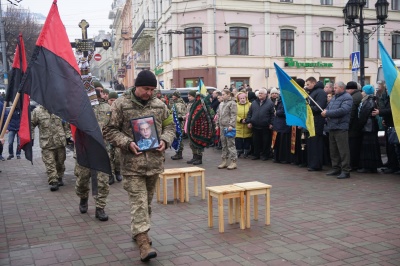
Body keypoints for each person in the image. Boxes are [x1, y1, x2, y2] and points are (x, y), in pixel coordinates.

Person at [103, 70, 175, 262]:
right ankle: (144, 242)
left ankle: (139, 231)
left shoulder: (160, 106)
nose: (149, 93)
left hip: (154, 163)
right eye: (146, 89)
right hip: (131, 165)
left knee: (147, 202)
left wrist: (166, 140)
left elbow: (170, 126)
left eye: (152, 89)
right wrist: (127, 142)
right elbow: (109, 129)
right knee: (139, 202)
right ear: (136, 86)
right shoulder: (121, 104)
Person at [75, 81, 111, 221]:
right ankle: (83, 198)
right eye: (94, 90)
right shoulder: (80, 107)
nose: (97, 93)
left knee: (102, 181)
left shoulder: (108, 108)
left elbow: (113, 127)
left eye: (99, 90)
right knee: (82, 179)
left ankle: (100, 207)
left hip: (101, 150)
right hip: (85, 150)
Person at [31, 105, 72, 191]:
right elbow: (31, 124)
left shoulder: (60, 109)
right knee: (49, 162)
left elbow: (66, 124)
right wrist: (31, 137)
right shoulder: (37, 111)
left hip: (60, 142)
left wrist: (68, 136)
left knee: (60, 162)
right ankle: (54, 181)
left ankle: (60, 177)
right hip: (47, 143)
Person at [321, 81, 353, 179]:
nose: (334, 89)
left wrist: (328, 113)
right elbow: (328, 108)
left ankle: (346, 170)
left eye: (335, 88)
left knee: (343, 150)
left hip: (341, 127)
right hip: (332, 127)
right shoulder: (335, 97)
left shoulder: (347, 98)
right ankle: (336, 168)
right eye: (334, 88)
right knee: (333, 150)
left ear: (342, 88)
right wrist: (325, 113)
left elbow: (343, 110)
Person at [373, 80, 398, 174]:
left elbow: (392, 109)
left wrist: (380, 112)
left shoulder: (395, 96)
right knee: (389, 145)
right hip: (388, 123)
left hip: (394, 125)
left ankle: (394, 166)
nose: (387, 89)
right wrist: (384, 119)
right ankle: (391, 164)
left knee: (393, 146)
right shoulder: (385, 96)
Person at [357, 85, 382, 173]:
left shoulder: (368, 101)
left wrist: (359, 125)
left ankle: (367, 166)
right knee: (372, 147)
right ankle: (372, 166)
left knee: (367, 147)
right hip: (371, 126)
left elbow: (364, 115)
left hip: (368, 127)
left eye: (363, 91)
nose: (362, 93)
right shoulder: (372, 100)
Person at [245, 88, 275, 161]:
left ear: (266, 94)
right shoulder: (254, 103)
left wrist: (271, 123)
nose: (260, 94)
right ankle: (256, 154)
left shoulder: (270, 103)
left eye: (261, 93)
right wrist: (249, 121)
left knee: (266, 142)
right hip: (255, 126)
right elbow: (249, 113)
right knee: (256, 141)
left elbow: (272, 115)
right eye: (259, 93)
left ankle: (265, 155)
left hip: (265, 126)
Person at [305, 77, 327, 171]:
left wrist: (307, 108)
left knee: (316, 143)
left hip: (317, 121)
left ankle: (316, 164)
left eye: (308, 84)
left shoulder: (320, 92)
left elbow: (319, 107)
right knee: (311, 143)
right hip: (311, 121)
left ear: (314, 83)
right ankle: (311, 163)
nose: (307, 86)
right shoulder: (311, 92)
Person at [216, 89, 238, 170]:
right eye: (222, 94)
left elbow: (233, 115)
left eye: (224, 94)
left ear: (229, 94)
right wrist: (217, 124)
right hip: (222, 126)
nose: (222, 96)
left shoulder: (232, 103)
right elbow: (218, 114)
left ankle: (233, 161)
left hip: (229, 127)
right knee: (224, 144)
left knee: (230, 144)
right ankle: (224, 160)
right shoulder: (221, 104)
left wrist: (231, 125)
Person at [345, 81, 363, 171]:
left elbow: (351, 113)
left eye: (347, 89)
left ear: (351, 89)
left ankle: (353, 164)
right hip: (357, 126)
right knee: (355, 146)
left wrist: (347, 124)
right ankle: (355, 164)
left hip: (353, 127)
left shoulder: (353, 98)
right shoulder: (358, 95)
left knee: (352, 147)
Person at [107, 91, 122, 183]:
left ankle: (118, 171)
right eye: (111, 100)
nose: (112, 102)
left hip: (118, 137)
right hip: (107, 137)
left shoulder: (120, 110)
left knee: (117, 156)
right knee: (109, 157)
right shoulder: (105, 110)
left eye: (114, 100)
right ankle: (110, 175)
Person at [169, 91, 186, 160]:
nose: (172, 96)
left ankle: (179, 153)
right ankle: (177, 152)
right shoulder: (175, 103)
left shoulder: (179, 104)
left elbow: (180, 114)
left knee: (179, 137)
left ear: (176, 96)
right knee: (177, 137)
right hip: (176, 123)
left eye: (174, 95)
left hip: (179, 123)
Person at [235, 92, 252, 158]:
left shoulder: (250, 105)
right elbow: (234, 115)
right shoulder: (235, 105)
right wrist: (240, 120)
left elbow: (252, 114)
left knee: (247, 140)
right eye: (241, 98)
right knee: (238, 140)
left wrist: (248, 120)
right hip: (239, 126)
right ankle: (239, 151)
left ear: (246, 98)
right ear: (238, 99)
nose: (242, 99)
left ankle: (246, 152)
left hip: (247, 126)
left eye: (243, 98)